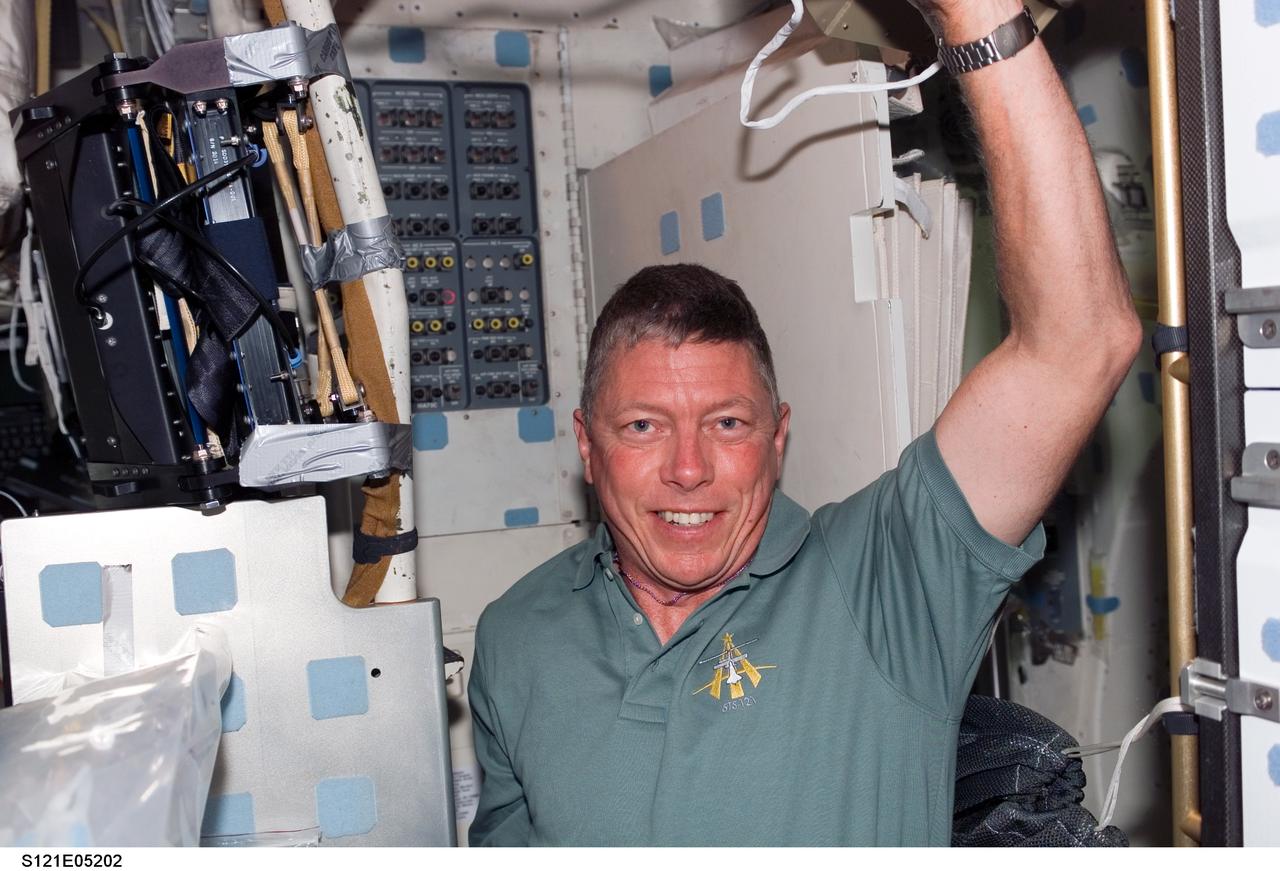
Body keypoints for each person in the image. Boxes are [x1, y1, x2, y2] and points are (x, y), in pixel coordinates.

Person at [467, 0, 1141, 846]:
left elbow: (1079, 344)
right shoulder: (515, 636)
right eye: (642, 426)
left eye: (727, 423)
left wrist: (979, 16)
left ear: (777, 439)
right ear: (587, 447)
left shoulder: (887, 580)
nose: (687, 469)